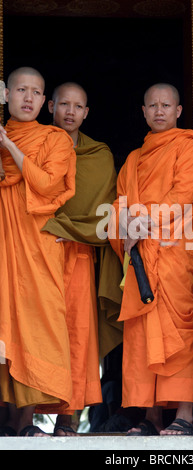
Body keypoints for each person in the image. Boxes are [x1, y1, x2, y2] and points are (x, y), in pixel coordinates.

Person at [108, 83, 193, 435]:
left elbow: (184, 194)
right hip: (142, 258)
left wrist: (145, 224)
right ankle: (150, 418)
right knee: (142, 337)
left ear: (179, 111)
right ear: (142, 111)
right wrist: (126, 230)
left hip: (175, 254)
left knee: (180, 334)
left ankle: (184, 415)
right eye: (152, 105)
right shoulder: (134, 160)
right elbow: (121, 202)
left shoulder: (189, 146)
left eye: (166, 105)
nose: (159, 111)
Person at [0, 67, 76, 436]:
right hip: (2, 238)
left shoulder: (55, 139)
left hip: (36, 245)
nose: (28, 98)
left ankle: (27, 419)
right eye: (20, 90)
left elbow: (47, 185)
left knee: (35, 323)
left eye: (36, 92)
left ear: (45, 102)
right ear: (6, 95)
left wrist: (9, 147)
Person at [43, 82, 123, 435]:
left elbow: (104, 213)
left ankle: (67, 418)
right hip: (36, 253)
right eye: (64, 104)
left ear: (87, 112)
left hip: (76, 254)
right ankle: (20, 417)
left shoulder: (99, 155)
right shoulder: (33, 147)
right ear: (51, 106)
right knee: (34, 332)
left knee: (76, 334)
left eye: (78, 106)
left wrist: (63, 227)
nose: (70, 112)